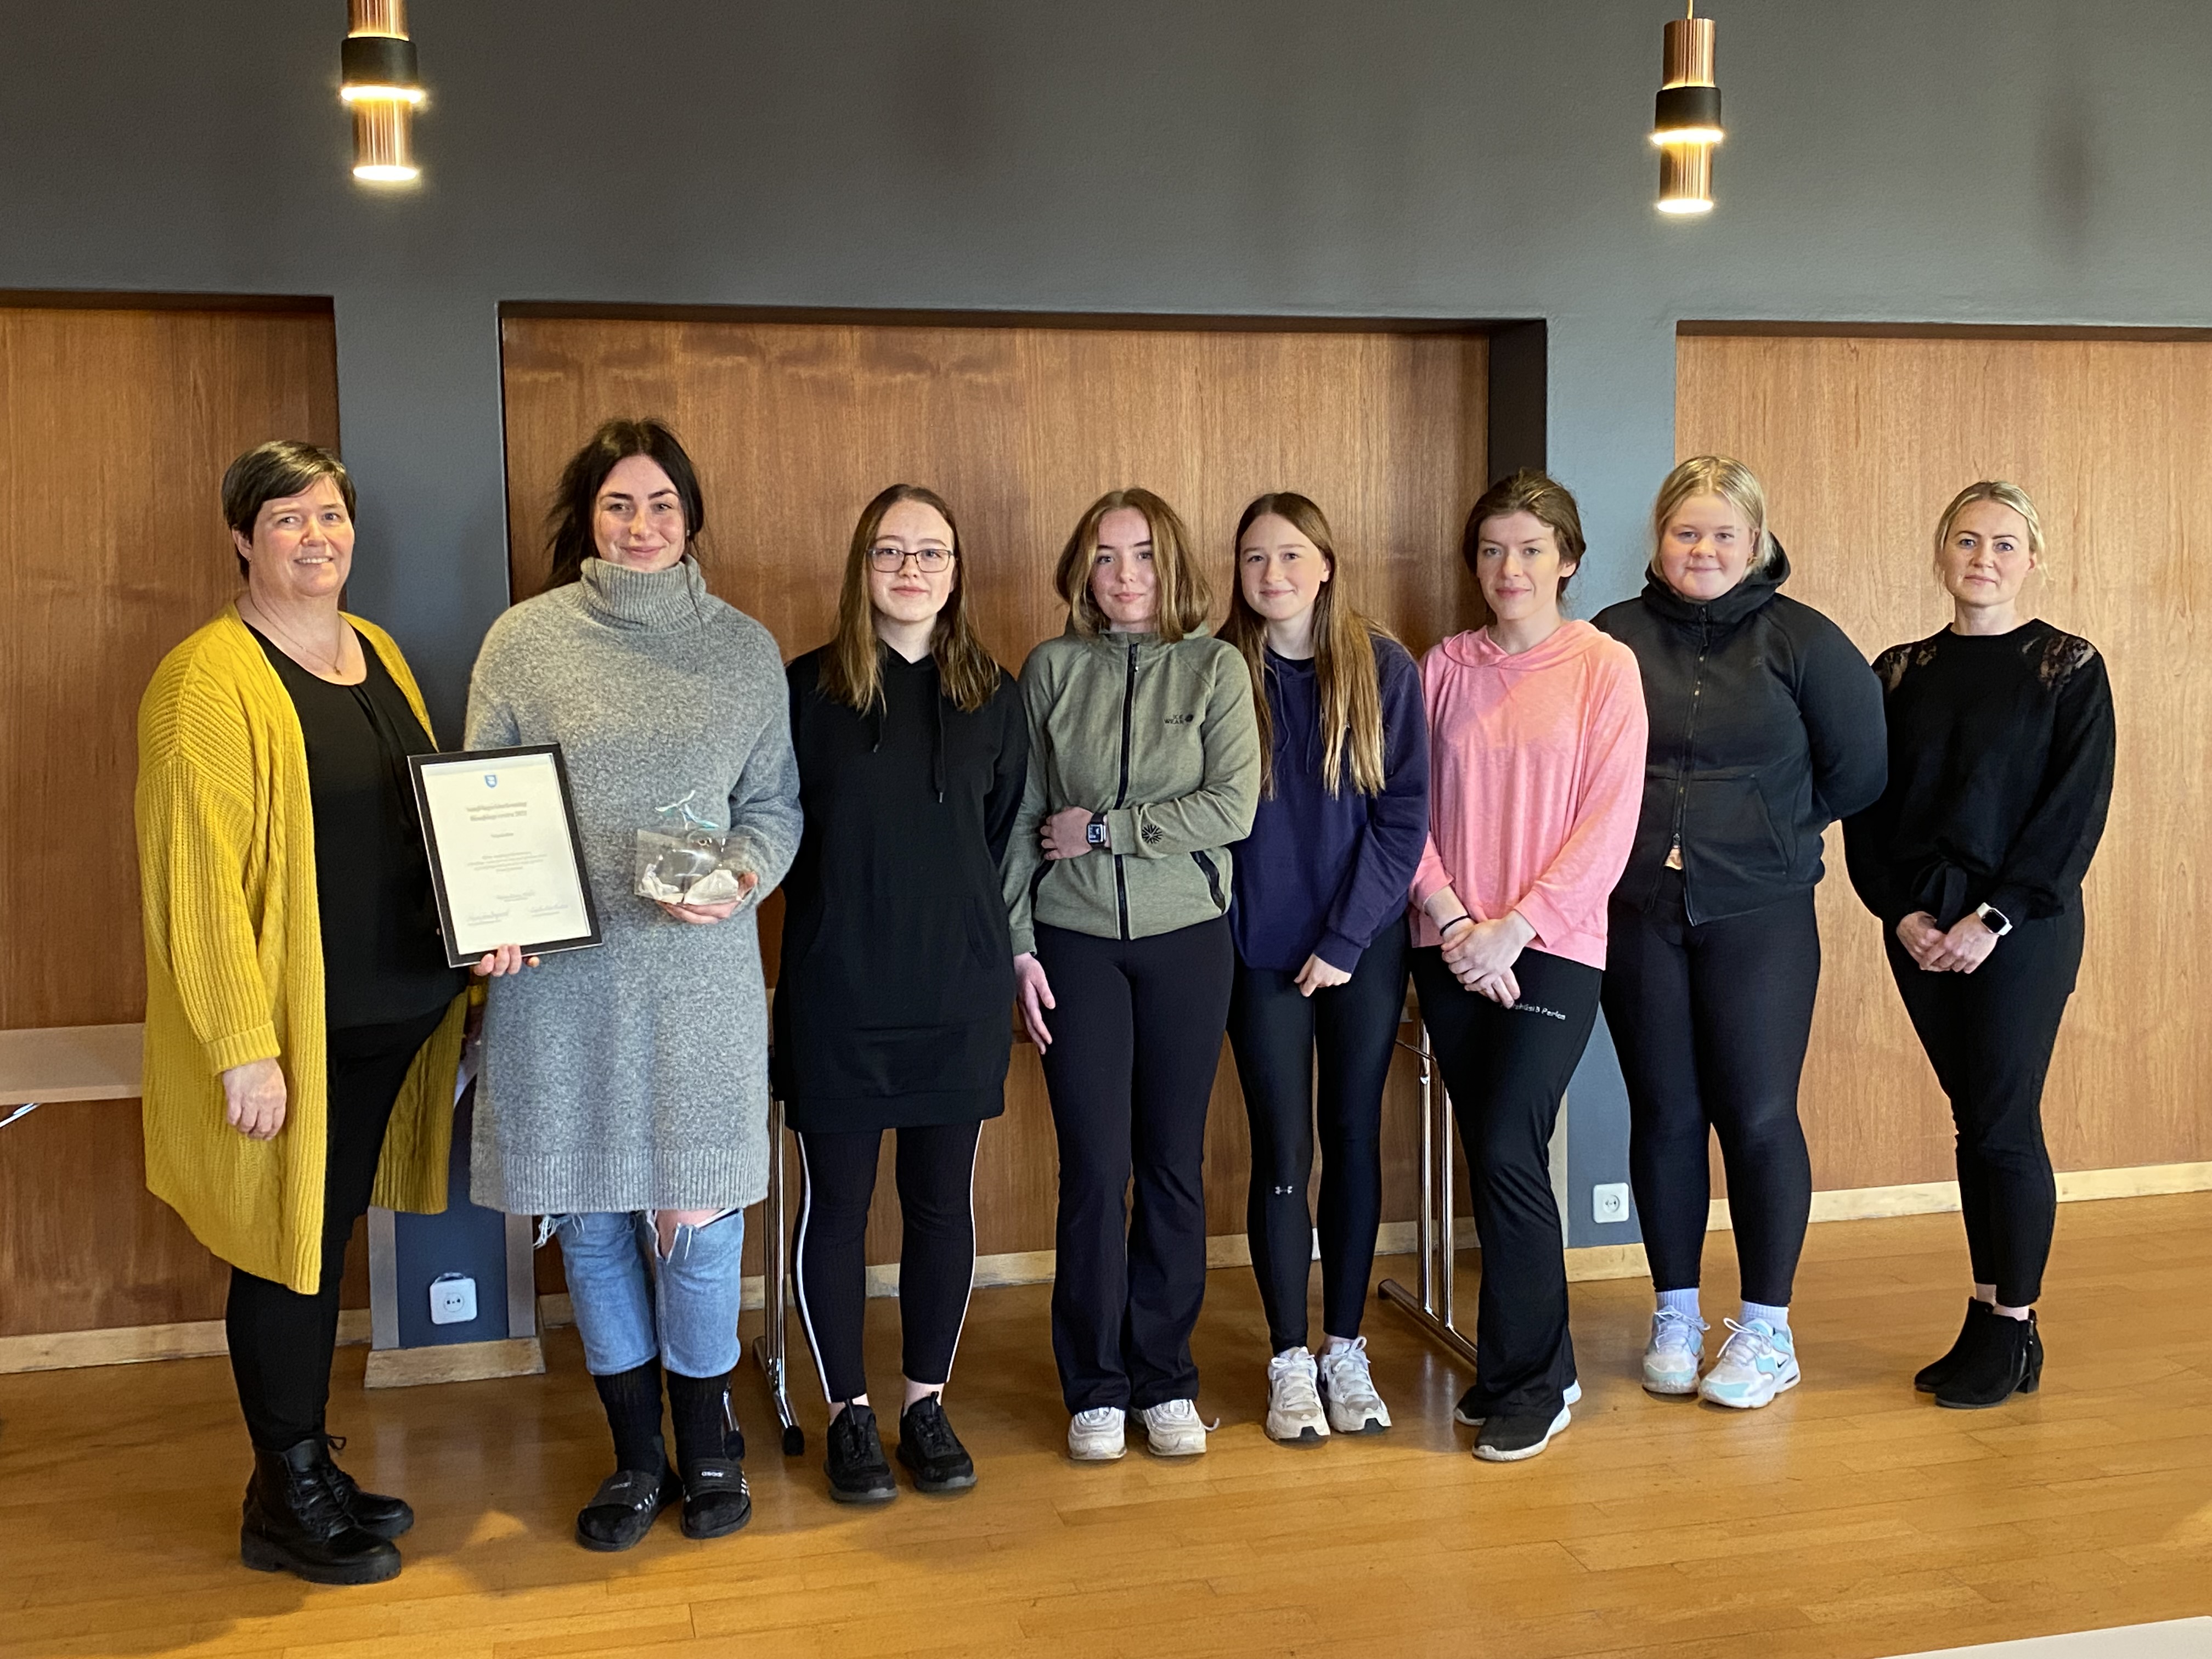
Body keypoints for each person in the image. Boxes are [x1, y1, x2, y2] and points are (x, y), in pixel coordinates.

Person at [136, 440, 513, 1585]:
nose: (316, 536)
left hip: (394, 1014)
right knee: (283, 1251)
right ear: (242, 538)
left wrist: (487, 926)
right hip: (297, 1035)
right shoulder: (205, 680)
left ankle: (298, 1473)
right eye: (287, 518)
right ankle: (286, 1498)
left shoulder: (376, 651)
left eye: (331, 515)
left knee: (323, 1234)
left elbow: (430, 823)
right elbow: (194, 884)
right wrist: (242, 1049)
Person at [465, 418, 800, 1549]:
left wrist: (743, 874)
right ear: (587, 518)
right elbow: (481, 801)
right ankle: (635, 1458)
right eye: (618, 504)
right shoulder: (524, 641)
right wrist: (489, 918)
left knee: (696, 1219)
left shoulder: (744, 649)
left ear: (690, 518)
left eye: (662, 504)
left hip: (699, 979)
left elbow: (776, 806)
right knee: (596, 1216)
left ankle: (709, 1445)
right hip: (558, 984)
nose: (642, 525)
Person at [1594, 455, 1887, 1410]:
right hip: (1638, 909)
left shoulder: (1805, 640)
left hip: (1761, 912)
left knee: (1758, 1115)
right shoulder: (1613, 637)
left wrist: (1768, 830)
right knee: (1664, 1113)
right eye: (1687, 532)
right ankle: (1675, 1313)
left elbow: (1860, 771)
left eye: (1724, 534)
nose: (1704, 550)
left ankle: (1767, 1330)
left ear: (1755, 542)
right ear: (1660, 538)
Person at [776, 484, 1027, 1500]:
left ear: (957, 571)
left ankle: (925, 1403)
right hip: (836, 991)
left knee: (939, 1203)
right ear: (861, 567)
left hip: (956, 992)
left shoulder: (994, 695)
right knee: (837, 1207)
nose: (911, 570)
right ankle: (848, 1414)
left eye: (931, 553)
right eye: (890, 551)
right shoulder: (806, 689)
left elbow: (999, 835)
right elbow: (776, 829)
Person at [1002, 487, 1261, 1463]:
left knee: (1171, 1165)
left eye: (1143, 554)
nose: (1125, 575)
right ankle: (1096, 1387)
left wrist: (1110, 831)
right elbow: (1022, 816)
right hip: (1073, 943)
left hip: (1188, 938)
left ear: (1173, 564)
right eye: (1106, 557)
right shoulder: (1052, 669)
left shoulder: (1215, 667)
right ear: (1083, 571)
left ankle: (1166, 1379)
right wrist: (1018, 942)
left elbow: (1232, 806)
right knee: (1093, 1168)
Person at [1844, 482, 2113, 1409]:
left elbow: (2073, 813)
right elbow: (1868, 810)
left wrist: (1991, 919)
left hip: (2019, 929)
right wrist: (1900, 914)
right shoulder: (1898, 671)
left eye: (2003, 544)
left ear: (2032, 559)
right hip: (1921, 930)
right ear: (1940, 553)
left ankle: (2014, 1324)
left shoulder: (2067, 667)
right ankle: (1989, 1308)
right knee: (1975, 1122)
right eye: (1966, 540)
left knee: (2003, 1121)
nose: (1983, 559)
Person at [1407, 470, 1646, 1462]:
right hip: (1450, 944)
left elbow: (1609, 821)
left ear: (1568, 561)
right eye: (1493, 551)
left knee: (1509, 1141)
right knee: (1495, 1150)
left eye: (1532, 550)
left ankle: (1532, 1385)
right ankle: (1538, 1359)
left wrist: (1517, 929)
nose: (1511, 568)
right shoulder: (1443, 668)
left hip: (1553, 948)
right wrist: (1459, 922)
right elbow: (1404, 809)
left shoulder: (1605, 667)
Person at [1218, 493, 1428, 1444]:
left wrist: (1344, 941)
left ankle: (1345, 1347)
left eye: (1292, 555)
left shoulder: (1382, 667)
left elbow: (1404, 814)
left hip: (1361, 945)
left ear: (1327, 564)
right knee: (1282, 1151)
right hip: (1258, 948)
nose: (1274, 575)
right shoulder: (1220, 669)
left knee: (1351, 1137)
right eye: (1255, 558)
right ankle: (1288, 1359)